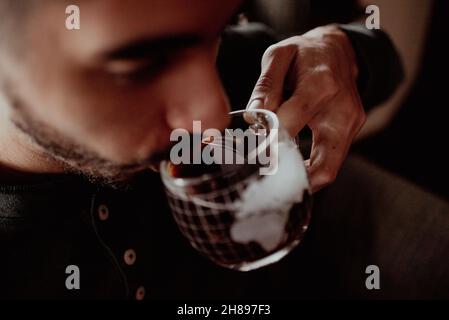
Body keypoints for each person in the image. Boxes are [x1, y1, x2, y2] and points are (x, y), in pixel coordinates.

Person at [0, 0, 443, 299]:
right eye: (141, 66)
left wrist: (343, 51)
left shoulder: (224, 63)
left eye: (220, 30)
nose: (212, 118)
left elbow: (383, 60)